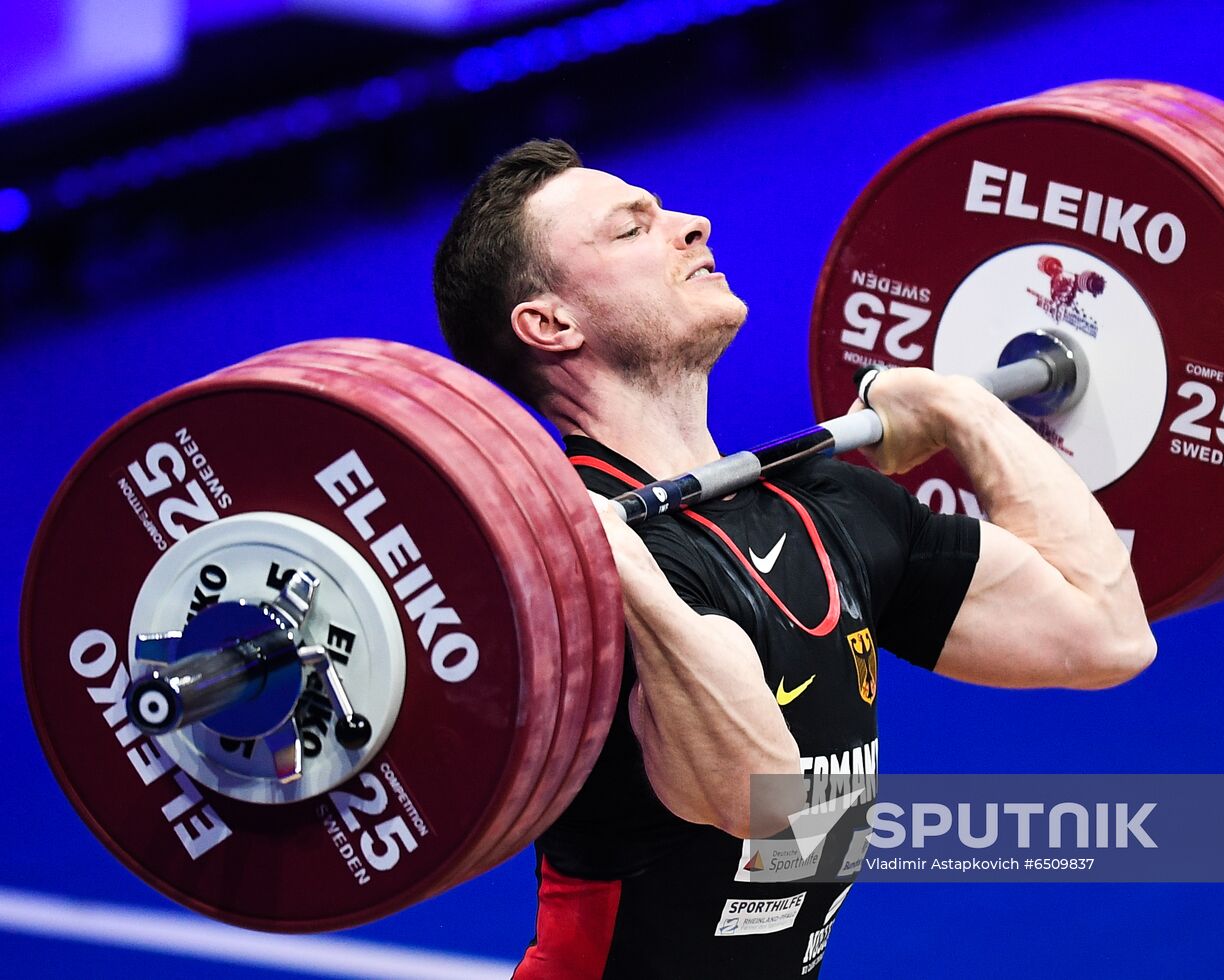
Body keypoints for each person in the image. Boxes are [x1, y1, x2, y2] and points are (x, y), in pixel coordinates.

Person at [433, 139, 1156, 978]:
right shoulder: (570, 584)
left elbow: (1106, 634)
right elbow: (763, 804)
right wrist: (614, 571)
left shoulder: (827, 505)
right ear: (551, 323)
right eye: (632, 230)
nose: (690, 223)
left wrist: (965, 411)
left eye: (663, 209)